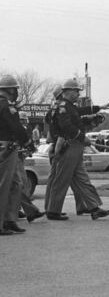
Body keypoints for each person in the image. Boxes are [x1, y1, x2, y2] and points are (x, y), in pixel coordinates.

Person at [46, 78, 109, 221]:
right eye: (76, 91)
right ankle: (53, 210)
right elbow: (67, 127)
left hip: (75, 147)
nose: (78, 94)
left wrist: (99, 107)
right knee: (62, 179)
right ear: (68, 92)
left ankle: (94, 208)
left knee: (83, 180)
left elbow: (79, 111)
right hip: (69, 146)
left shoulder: (69, 106)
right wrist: (82, 138)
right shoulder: (63, 106)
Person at [44, 85, 89, 216]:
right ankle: (51, 209)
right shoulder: (57, 109)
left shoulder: (61, 109)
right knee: (57, 179)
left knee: (76, 179)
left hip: (64, 145)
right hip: (61, 147)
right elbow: (63, 128)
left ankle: (83, 206)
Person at [0, 75, 34, 235]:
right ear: (10, 90)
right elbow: (17, 127)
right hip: (6, 148)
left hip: (8, 147)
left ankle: (9, 219)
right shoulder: (6, 106)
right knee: (4, 186)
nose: (16, 92)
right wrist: (28, 142)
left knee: (15, 184)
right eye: (15, 89)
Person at [17, 112, 45, 223]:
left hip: (16, 158)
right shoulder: (17, 130)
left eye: (25, 120)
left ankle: (15, 210)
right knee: (20, 185)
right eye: (23, 120)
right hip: (14, 159)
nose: (25, 122)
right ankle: (30, 211)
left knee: (16, 185)